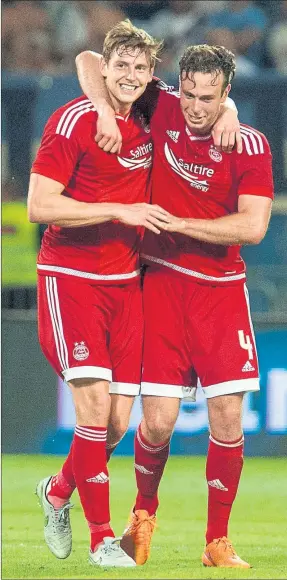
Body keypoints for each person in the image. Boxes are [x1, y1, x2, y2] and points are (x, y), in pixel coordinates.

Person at [30, 20, 239, 568]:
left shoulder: (151, 113)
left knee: (118, 423)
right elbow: (40, 206)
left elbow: (214, 97)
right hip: (70, 277)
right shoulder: (74, 119)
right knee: (95, 406)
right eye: (119, 65)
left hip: (126, 282)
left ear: (151, 77)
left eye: (139, 68)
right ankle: (102, 536)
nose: (129, 75)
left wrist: (234, 111)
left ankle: (56, 491)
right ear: (107, 68)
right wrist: (117, 208)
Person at [75, 41, 273, 568]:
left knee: (227, 418)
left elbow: (254, 226)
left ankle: (216, 542)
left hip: (221, 292)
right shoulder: (161, 105)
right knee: (158, 422)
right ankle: (142, 517)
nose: (196, 107)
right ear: (178, 85)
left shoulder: (249, 145)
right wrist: (100, 110)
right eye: (189, 94)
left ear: (227, 93)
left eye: (210, 98)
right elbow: (88, 61)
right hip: (161, 285)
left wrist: (182, 224)